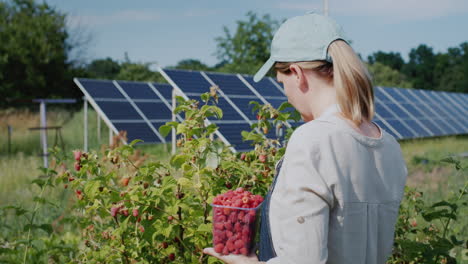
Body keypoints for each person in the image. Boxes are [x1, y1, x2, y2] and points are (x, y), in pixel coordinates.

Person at [204, 12, 407, 264]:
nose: (286, 94)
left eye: (282, 82)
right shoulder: (389, 145)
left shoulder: (313, 140)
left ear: (297, 74)